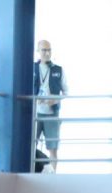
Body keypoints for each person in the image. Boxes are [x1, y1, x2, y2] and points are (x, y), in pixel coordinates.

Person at [33, 40, 68, 170]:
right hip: (34, 113)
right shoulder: (31, 68)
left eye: (49, 50)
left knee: (53, 148)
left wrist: (55, 100)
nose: (47, 53)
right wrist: (34, 100)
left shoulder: (58, 70)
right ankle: (31, 170)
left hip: (52, 113)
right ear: (38, 51)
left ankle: (53, 174)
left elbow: (66, 92)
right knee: (31, 145)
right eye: (44, 50)